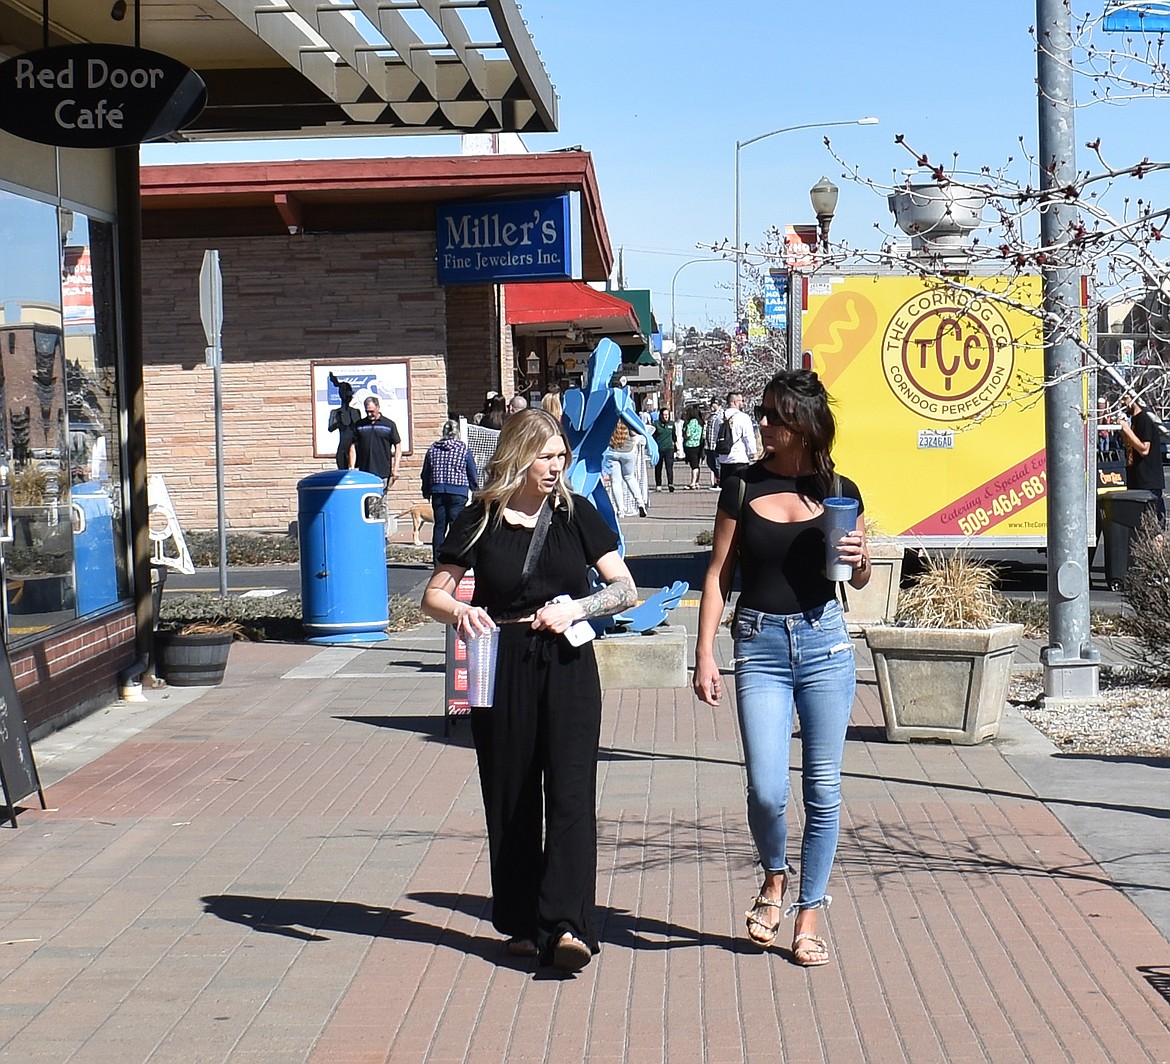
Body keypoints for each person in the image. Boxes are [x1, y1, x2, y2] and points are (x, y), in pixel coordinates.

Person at [421, 409, 637, 971]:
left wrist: (578, 607)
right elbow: (433, 597)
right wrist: (462, 613)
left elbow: (625, 589)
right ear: (518, 456)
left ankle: (568, 926)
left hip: (568, 661)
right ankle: (519, 919)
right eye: (545, 456)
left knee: (570, 791)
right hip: (503, 661)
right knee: (511, 792)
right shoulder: (479, 519)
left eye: (561, 456)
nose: (555, 466)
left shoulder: (575, 514)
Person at [692, 369, 870, 969]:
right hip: (760, 645)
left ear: (801, 427)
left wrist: (863, 559)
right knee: (767, 789)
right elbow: (717, 574)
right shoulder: (740, 486)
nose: (762, 423)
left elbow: (856, 578)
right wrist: (705, 653)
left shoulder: (841, 490)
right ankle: (774, 876)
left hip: (826, 646)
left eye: (772, 416)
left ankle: (810, 913)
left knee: (823, 791)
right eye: (763, 415)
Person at [420, 419, 480, 563]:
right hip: (458, 491)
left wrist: (426, 490)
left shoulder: (433, 449)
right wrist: (475, 489)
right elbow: (472, 471)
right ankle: (456, 558)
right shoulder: (463, 449)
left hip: (438, 490)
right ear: (457, 433)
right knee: (456, 525)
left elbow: (425, 473)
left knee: (440, 526)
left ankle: (437, 560)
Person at [1120, 390, 1167, 522]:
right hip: (1136, 478)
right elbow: (1131, 445)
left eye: (1125, 399)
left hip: (1148, 481)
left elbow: (1144, 449)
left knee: (1153, 525)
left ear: (1134, 399)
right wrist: (1124, 433)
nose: (1122, 403)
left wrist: (1127, 430)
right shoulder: (1134, 420)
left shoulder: (1145, 418)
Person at [350, 396, 401, 491]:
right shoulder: (359, 425)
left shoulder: (389, 425)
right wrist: (352, 467)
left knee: (381, 503)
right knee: (366, 502)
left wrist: (395, 469)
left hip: (383, 472)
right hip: (364, 473)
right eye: (367, 411)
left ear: (378, 407)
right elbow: (353, 446)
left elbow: (398, 447)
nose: (369, 414)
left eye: (372, 411)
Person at [607, 418, 648, 516]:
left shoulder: (610, 418)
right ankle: (640, 503)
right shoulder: (627, 418)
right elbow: (633, 433)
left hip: (612, 451)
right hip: (627, 451)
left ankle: (620, 509)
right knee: (629, 477)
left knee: (615, 482)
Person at [716, 391, 757, 483]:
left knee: (726, 488)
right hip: (739, 458)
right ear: (735, 402)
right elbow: (748, 436)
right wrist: (753, 453)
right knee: (740, 488)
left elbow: (716, 435)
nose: (742, 403)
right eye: (741, 401)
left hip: (724, 458)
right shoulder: (743, 417)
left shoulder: (720, 417)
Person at [327, 375, 362, 470]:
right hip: (343, 447)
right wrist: (338, 421)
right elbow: (330, 428)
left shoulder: (356, 411)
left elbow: (360, 429)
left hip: (356, 448)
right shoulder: (336, 412)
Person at [652, 407, 678, 492]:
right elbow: (653, 437)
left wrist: (676, 447)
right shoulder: (656, 424)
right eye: (664, 415)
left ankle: (670, 484)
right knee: (658, 467)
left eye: (667, 415)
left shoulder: (671, 424)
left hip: (669, 448)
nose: (665, 417)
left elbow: (674, 436)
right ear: (660, 415)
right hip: (659, 449)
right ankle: (658, 484)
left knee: (669, 467)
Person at [682, 404, 705, 490]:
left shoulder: (691, 422)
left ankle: (693, 482)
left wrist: (684, 436)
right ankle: (697, 482)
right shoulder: (700, 422)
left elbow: (688, 434)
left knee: (694, 465)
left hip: (690, 445)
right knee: (697, 465)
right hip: (699, 445)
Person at [703, 401, 724, 489]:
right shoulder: (711, 415)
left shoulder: (722, 415)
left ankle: (720, 481)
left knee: (717, 464)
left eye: (714, 403)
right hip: (709, 444)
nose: (712, 405)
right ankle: (717, 479)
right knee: (710, 462)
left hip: (717, 444)